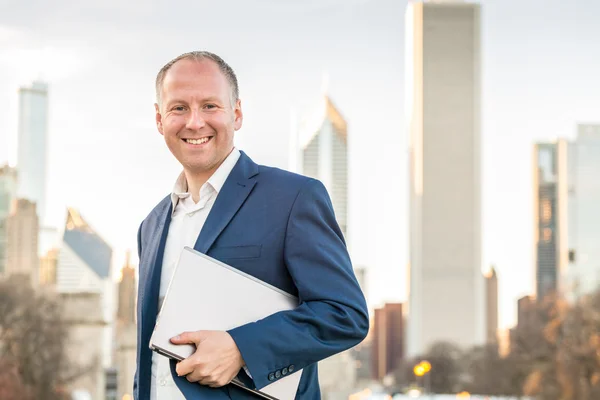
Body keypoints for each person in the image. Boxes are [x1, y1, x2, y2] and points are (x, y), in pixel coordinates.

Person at [133, 51, 368, 400]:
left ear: (237, 114)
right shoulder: (150, 226)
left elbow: (344, 315)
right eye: (178, 108)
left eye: (210, 106)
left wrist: (241, 348)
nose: (194, 122)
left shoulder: (294, 198)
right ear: (159, 119)